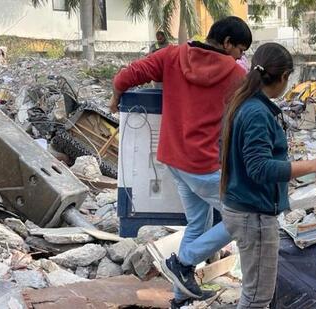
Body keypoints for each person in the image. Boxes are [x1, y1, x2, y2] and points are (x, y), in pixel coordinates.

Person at [109, 16, 252, 308]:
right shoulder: (235, 74)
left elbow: (128, 75)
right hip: (204, 166)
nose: (241, 56)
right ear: (226, 43)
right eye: (240, 49)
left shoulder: (172, 54)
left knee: (198, 223)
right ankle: (183, 262)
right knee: (244, 217)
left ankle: (180, 298)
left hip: (174, 160)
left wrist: (115, 98)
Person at [219, 43, 316, 309]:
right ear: (283, 77)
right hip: (252, 214)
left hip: (248, 209)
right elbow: (259, 169)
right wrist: (313, 165)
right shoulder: (256, 112)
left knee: (256, 294)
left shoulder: (249, 104)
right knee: (257, 298)